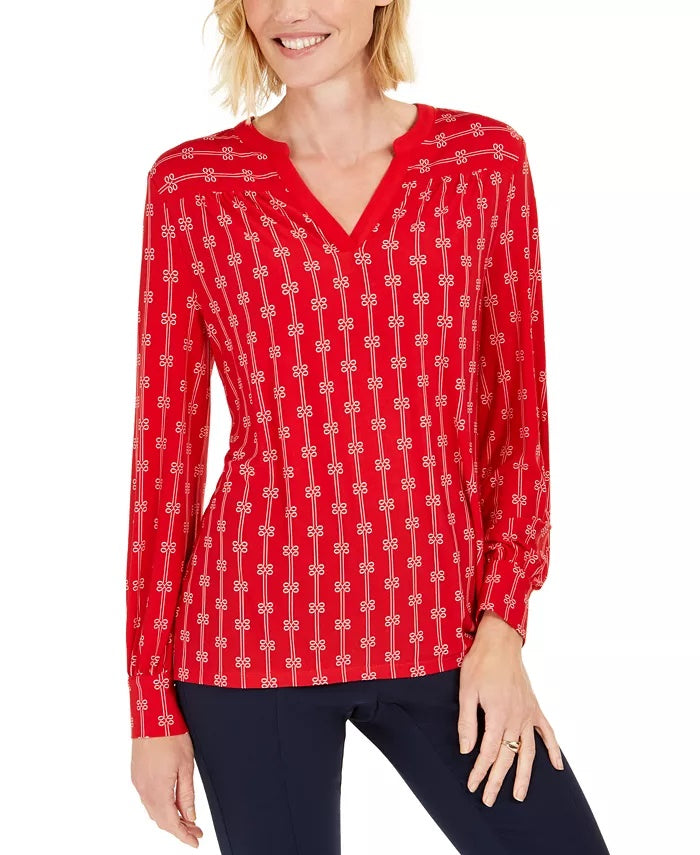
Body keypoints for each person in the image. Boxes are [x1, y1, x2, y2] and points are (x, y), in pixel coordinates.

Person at [126, 1, 612, 853]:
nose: (291, 12)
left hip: (441, 630)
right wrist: (149, 708)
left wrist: (504, 623)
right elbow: (164, 453)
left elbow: (517, 417)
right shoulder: (194, 186)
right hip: (251, 638)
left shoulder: (481, 163)